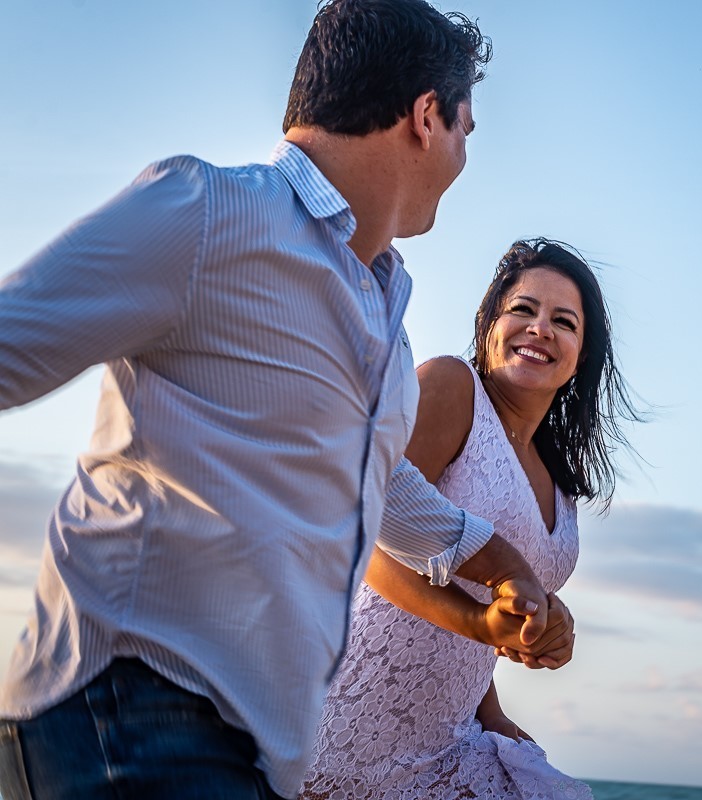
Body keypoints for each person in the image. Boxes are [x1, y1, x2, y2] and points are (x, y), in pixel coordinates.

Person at [0, 2, 561, 798]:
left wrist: (505, 567)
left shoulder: (386, 324)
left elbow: (379, 485)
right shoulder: (212, 213)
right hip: (127, 713)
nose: (466, 154)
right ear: (427, 116)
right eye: (468, 128)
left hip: (260, 756)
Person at [301, 239, 640, 799]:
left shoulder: (559, 478)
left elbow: (489, 616)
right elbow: (363, 536)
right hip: (351, 709)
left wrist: (539, 633)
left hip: (449, 734)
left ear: (583, 352)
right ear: (489, 322)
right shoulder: (453, 388)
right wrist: (477, 622)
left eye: (563, 321)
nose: (539, 329)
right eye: (523, 310)